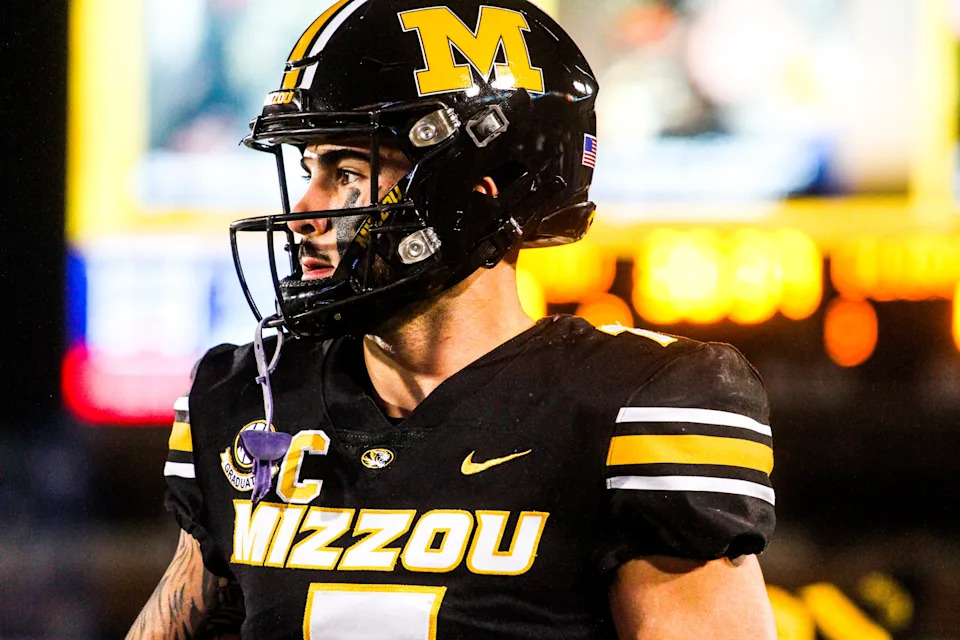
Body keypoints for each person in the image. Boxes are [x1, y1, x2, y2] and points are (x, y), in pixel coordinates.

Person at [128, 0, 777, 637]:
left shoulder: (632, 410)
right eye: (309, 168)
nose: (306, 209)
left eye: (347, 171)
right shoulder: (248, 400)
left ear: (475, 191)